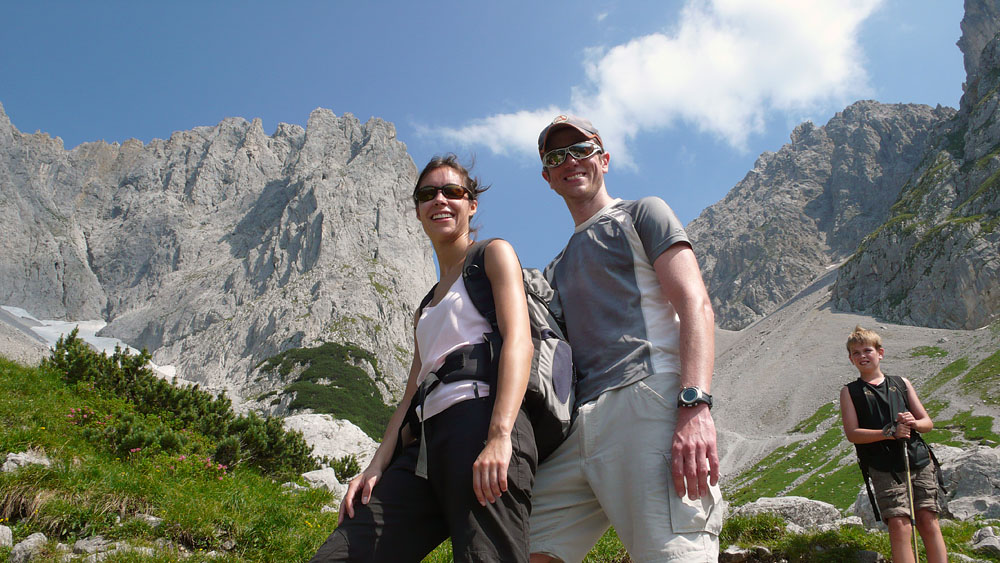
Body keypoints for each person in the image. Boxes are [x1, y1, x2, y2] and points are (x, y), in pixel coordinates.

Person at [310, 155, 536, 562]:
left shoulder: (493, 254)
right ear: (417, 210)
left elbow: (520, 341)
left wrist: (500, 436)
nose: (440, 200)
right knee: (342, 553)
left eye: (453, 191)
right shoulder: (425, 307)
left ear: (472, 204)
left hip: (482, 423)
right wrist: (377, 464)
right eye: (428, 194)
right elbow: (413, 390)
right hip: (425, 446)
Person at [528, 115, 723, 563]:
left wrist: (694, 407)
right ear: (548, 177)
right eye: (557, 157)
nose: (570, 161)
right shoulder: (555, 268)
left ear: (605, 158)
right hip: (579, 425)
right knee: (524, 546)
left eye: (582, 150)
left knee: (673, 554)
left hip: (646, 400)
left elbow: (696, 305)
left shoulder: (642, 213)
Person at [839, 325, 948, 563]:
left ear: (880, 353)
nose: (862, 356)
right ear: (850, 359)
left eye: (867, 350)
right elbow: (853, 433)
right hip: (883, 465)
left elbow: (927, 423)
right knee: (899, 524)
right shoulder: (850, 392)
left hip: (918, 459)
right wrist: (888, 432)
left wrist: (913, 423)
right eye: (855, 353)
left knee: (928, 519)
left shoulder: (901, 383)